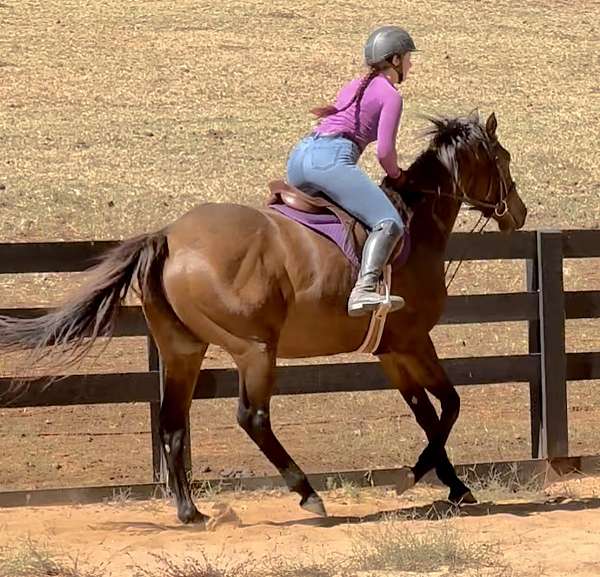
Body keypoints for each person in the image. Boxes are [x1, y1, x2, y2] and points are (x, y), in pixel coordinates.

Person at [286, 25, 417, 317]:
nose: (411, 63)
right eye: (408, 57)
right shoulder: (391, 96)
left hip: (298, 158)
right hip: (330, 162)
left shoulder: (354, 84)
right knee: (389, 223)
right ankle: (365, 289)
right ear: (395, 60)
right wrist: (397, 176)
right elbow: (384, 153)